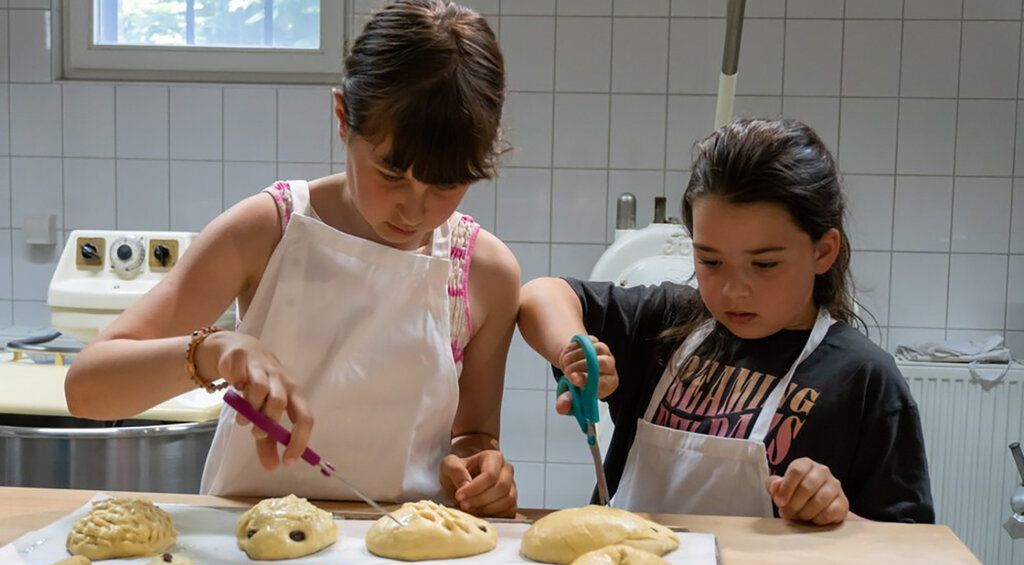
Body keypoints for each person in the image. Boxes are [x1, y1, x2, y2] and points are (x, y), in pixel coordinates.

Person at [65, 0, 521, 518]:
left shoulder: (484, 272)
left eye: (446, 184)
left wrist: (482, 469)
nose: (415, 211)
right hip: (250, 543)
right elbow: (87, 389)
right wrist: (212, 351)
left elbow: (474, 434)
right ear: (343, 117)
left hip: (401, 552)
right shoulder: (266, 230)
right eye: (391, 175)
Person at [517, 118, 934, 524]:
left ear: (823, 251)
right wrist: (573, 350)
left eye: (765, 264)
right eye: (710, 261)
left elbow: (910, 547)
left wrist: (839, 517)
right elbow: (540, 294)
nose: (734, 291)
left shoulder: (863, 379)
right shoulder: (666, 324)